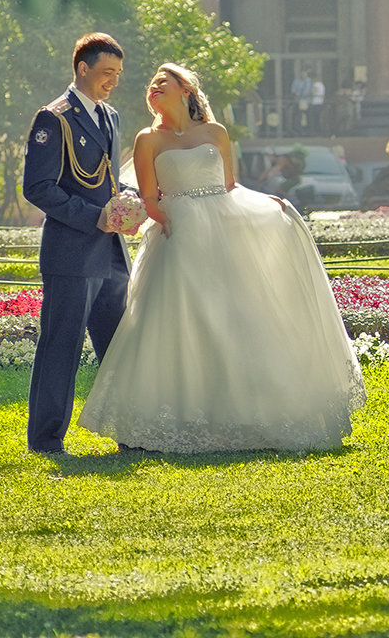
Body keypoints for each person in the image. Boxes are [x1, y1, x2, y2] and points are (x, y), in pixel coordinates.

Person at [77, 63, 366, 452]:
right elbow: (149, 197)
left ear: (186, 89)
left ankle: (248, 414)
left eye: (163, 82)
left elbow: (230, 186)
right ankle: (179, 418)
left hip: (223, 232)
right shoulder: (148, 139)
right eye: (151, 84)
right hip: (178, 236)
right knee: (185, 322)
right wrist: (171, 222)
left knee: (235, 319)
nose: (154, 88)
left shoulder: (215, 133)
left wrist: (269, 203)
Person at [21, 33, 133, 455]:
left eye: (118, 74)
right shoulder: (54, 118)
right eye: (106, 73)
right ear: (82, 69)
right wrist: (95, 217)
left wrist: (127, 201)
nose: (112, 82)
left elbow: (105, 179)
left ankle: (131, 433)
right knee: (61, 347)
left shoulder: (111, 116)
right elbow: (38, 187)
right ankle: (46, 441)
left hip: (111, 254)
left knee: (121, 349)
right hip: (71, 253)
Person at [291, 69, 312, 136]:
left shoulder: (309, 81)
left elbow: (312, 89)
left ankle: (308, 131)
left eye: (305, 74)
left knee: (308, 116)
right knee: (298, 116)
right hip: (299, 101)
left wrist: (310, 92)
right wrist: (297, 93)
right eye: (302, 74)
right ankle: (299, 131)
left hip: (307, 101)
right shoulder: (296, 81)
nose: (303, 75)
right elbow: (293, 91)